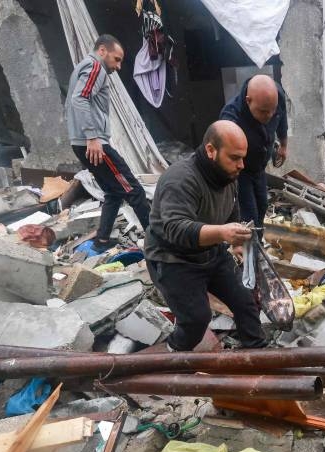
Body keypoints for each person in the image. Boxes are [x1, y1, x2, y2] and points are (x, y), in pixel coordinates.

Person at [144, 120, 267, 352]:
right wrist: (222, 232)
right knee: (196, 320)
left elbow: (231, 210)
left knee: (246, 302)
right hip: (174, 259)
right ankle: (175, 355)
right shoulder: (180, 179)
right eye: (234, 158)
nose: (241, 165)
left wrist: (238, 243)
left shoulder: (227, 174)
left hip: (212, 253)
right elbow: (176, 228)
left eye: (243, 157)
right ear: (211, 150)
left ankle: (258, 355)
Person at [67, 34, 152, 249]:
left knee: (113, 192)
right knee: (134, 190)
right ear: (102, 51)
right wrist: (93, 136)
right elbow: (80, 99)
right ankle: (159, 243)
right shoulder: (95, 67)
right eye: (117, 59)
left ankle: (102, 240)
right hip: (94, 144)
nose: (119, 66)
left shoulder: (83, 67)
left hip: (81, 143)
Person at [219, 75, 289, 235]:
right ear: (248, 100)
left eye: (273, 110)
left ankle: (258, 242)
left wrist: (283, 145)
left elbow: (282, 117)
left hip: (259, 167)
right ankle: (250, 251)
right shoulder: (231, 117)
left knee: (262, 205)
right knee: (249, 212)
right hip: (241, 171)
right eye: (264, 112)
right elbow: (224, 155)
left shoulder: (275, 96)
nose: (269, 115)